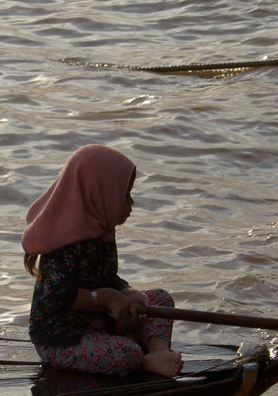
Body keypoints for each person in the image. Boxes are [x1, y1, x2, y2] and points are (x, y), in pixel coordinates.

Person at [23, 144, 182, 378]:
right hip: (63, 339)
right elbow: (55, 298)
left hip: (98, 322)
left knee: (160, 299)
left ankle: (158, 353)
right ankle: (143, 361)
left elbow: (106, 278)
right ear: (101, 194)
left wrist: (126, 291)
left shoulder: (102, 232)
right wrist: (107, 297)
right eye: (125, 195)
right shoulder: (65, 242)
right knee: (126, 354)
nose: (131, 203)